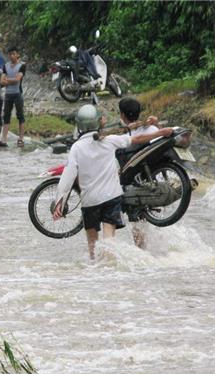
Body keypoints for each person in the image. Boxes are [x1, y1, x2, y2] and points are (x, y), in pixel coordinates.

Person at [52, 104, 173, 259]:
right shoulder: (110, 141)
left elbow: (67, 178)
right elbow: (137, 139)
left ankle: (96, 272)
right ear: (97, 122)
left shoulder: (76, 148)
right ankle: (110, 270)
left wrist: (59, 203)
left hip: (90, 201)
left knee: (92, 246)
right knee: (109, 241)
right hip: (111, 197)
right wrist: (161, 132)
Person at [117, 96, 159, 249]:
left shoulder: (123, 138)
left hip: (132, 185)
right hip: (150, 179)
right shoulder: (152, 129)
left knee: (136, 221)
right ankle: (144, 250)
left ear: (122, 115)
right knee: (142, 221)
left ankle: (141, 252)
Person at [0, 47, 26, 147]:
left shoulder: (22, 66)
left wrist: (7, 80)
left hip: (17, 93)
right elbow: (1, 81)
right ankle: (4, 138)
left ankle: (21, 138)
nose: (11, 56)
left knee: (20, 115)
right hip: (8, 94)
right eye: (10, 54)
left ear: (17, 54)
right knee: (6, 115)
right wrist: (8, 80)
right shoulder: (5, 66)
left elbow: (17, 79)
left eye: (13, 54)